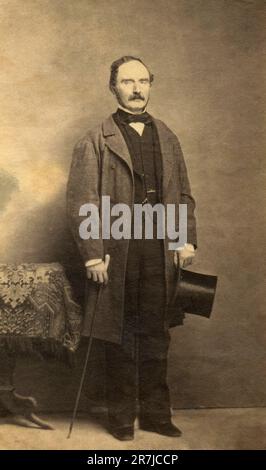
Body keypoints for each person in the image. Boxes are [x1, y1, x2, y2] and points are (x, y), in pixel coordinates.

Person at [66, 56, 197, 441]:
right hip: (117, 252)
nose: (137, 89)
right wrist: (92, 252)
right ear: (113, 87)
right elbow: (82, 201)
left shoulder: (167, 136)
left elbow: (183, 193)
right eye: (127, 81)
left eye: (143, 81)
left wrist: (183, 238)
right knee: (119, 336)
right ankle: (121, 418)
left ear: (151, 85)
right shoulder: (94, 140)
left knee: (157, 333)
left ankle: (157, 415)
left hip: (159, 249)